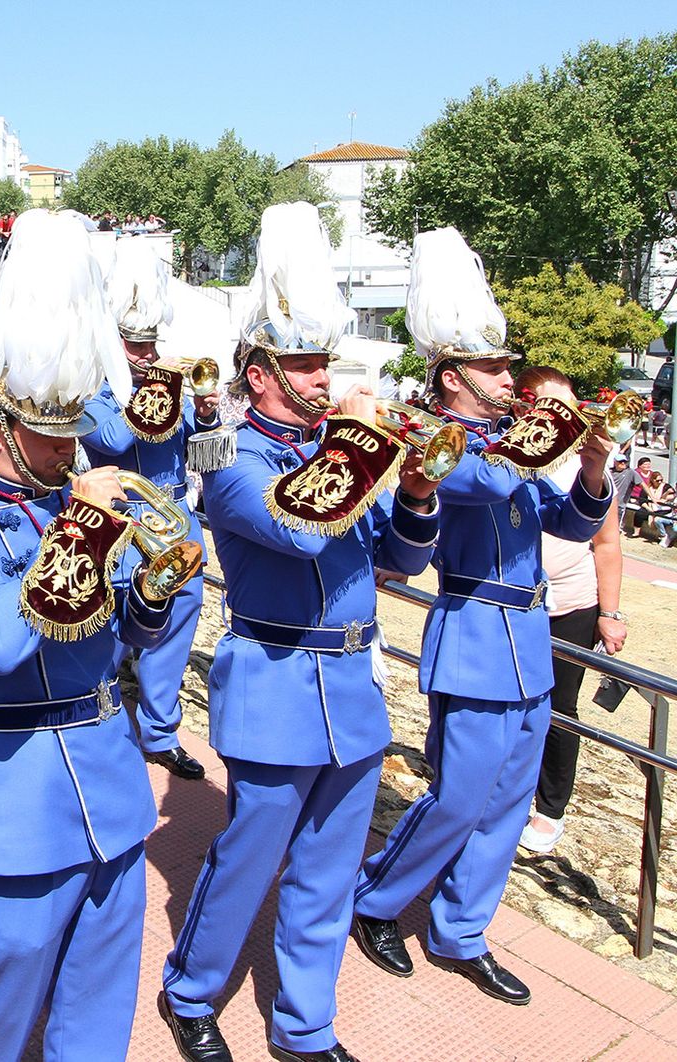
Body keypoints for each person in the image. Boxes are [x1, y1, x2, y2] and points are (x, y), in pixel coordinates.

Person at [157, 203, 440, 1062]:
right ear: (258, 373)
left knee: (326, 870)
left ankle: (305, 1025)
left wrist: (419, 486)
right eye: (306, 365)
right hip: (275, 676)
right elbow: (300, 527)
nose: (323, 379)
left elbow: (405, 555)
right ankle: (192, 992)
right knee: (251, 856)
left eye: (326, 363)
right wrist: (362, 442)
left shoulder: (349, 454)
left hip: (352, 684)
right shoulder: (231, 458)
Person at [0, 210, 173, 1060]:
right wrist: (84, 535)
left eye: (74, 436)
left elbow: (129, 628)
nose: (73, 453)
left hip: (107, 771)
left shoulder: (76, 499)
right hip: (13, 783)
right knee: (8, 985)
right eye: (53, 439)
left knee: (99, 999)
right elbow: (0, 639)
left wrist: (157, 589)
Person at [353, 227, 613, 1007]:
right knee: (458, 796)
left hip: (532, 639)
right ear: (451, 377)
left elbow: (566, 523)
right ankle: (376, 900)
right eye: (495, 368)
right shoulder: (443, 444)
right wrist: (545, 432)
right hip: (472, 636)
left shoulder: (511, 442)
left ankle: (462, 929)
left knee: (506, 803)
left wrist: (594, 463)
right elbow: (495, 486)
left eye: (507, 366)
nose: (509, 379)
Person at [82, 239, 219, 780]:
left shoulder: (172, 388)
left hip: (176, 516)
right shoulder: (91, 388)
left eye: (150, 344)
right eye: (133, 345)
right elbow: (113, 439)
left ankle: (159, 732)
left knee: (178, 623)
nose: (145, 355)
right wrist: (154, 391)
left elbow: (200, 454)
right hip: (121, 520)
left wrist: (205, 414)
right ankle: (96, 720)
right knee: (113, 628)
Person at [513, 366, 626, 856]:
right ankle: (512, 791)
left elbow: (607, 545)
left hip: (572, 605)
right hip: (518, 601)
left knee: (560, 707)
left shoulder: (583, 464)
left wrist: (611, 612)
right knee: (514, 700)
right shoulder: (512, 453)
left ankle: (550, 807)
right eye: (554, 405)